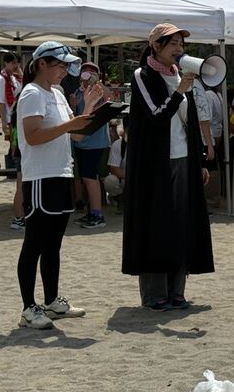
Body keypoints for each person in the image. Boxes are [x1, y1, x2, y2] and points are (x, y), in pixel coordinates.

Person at [122, 23, 214, 310]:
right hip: (154, 164)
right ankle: (154, 293)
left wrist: (199, 160)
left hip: (183, 159)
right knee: (156, 224)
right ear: (156, 47)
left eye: (180, 43)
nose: (179, 49)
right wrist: (179, 92)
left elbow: (192, 124)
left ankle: (177, 289)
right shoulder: (143, 75)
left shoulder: (179, 76)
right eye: (172, 43)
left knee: (182, 225)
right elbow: (156, 115)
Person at [15, 41, 102, 329]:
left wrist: (90, 110)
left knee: (53, 245)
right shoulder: (31, 93)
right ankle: (29, 307)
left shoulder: (58, 93)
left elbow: (75, 136)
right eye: (61, 65)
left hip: (62, 173)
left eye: (67, 65)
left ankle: (51, 302)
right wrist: (71, 124)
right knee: (35, 244)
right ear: (42, 63)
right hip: (41, 177)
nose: (66, 70)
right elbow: (34, 136)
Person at [72, 62, 110, 229]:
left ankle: (97, 214)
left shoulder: (99, 90)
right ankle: (90, 211)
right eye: (85, 70)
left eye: (92, 71)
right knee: (85, 178)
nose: (87, 73)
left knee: (90, 177)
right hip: (81, 141)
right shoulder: (79, 91)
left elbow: (111, 98)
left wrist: (98, 83)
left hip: (96, 142)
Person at [0, 51, 25, 229]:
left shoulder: (14, 77)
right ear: (6, 63)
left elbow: (22, 84)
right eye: (13, 63)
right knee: (16, 152)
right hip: (11, 119)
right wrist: (4, 123)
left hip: (18, 117)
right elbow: (1, 103)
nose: (15, 66)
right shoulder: (2, 80)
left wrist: (18, 71)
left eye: (17, 63)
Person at [104, 121, 126, 212]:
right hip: (124, 178)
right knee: (110, 180)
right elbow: (113, 169)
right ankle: (120, 199)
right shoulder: (118, 144)